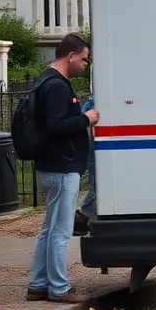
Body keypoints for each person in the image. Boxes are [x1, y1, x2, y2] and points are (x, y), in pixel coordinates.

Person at [26, 33, 99, 303]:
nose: (84, 64)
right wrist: (85, 119)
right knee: (60, 229)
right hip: (61, 166)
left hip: (52, 165)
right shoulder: (57, 86)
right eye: (83, 59)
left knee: (49, 227)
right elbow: (57, 125)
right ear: (70, 55)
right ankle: (59, 287)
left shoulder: (45, 81)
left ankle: (38, 284)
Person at [73, 94, 96, 237]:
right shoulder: (93, 101)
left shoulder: (91, 100)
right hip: (94, 150)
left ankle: (83, 216)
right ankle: (83, 215)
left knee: (96, 186)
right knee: (97, 187)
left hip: (92, 149)